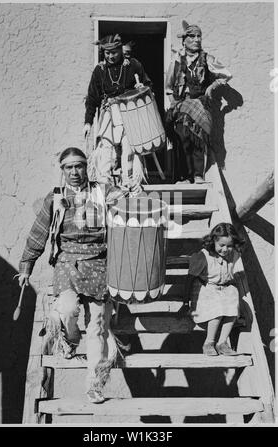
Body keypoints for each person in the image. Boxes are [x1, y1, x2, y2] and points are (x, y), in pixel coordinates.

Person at [18, 147, 140, 404]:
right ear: (62, 170)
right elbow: (38, 233)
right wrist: (26, 266)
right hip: (67, 262)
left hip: (99, 263)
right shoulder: (55, 198)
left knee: (97, 326)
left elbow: (129, 204)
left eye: (79, 166)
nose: (74, 172)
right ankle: (70, 339)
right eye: (68, 167)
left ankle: (95, 385)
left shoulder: (103, 191)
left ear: (87, 167)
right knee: (68, 309)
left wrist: (130, 194)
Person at [165, 21, 232, 184]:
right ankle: (185, 177)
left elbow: (226, 74)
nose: (196, 40)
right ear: (184, 40)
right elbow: (168, 87)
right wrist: (174, 104)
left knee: (199, 140)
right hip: (182, 107)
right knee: (182, 141)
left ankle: (198, 175)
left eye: (199, 36)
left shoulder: (207, 58)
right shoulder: (177, 61)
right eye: (192, 36)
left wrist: (212, 87)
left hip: (200, 105)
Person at [83, 34, 152, 187]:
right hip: (109, 112)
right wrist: (88, 122)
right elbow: (92, 97)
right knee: (106, 146)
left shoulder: (133, 65)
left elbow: (148, 85)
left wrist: (142, 88)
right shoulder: (99, 70)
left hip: (130, 111)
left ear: (120, 50)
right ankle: (104, 183)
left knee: (129, 146)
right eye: (107, 53)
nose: (111, 56)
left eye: (114, 52)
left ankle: (130, 182)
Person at [184, 222, 245, 356]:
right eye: (221, 245)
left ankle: (222, 343)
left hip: (222, 289)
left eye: (229, 246)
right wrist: (185, 302)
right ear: (213, 242)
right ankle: (209, 342)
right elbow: (190, 279)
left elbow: (233, 267)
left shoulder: (234, 254)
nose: (225, 249)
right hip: (205, 290)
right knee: (217, 305)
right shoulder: (203, 257)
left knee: (233, 299)